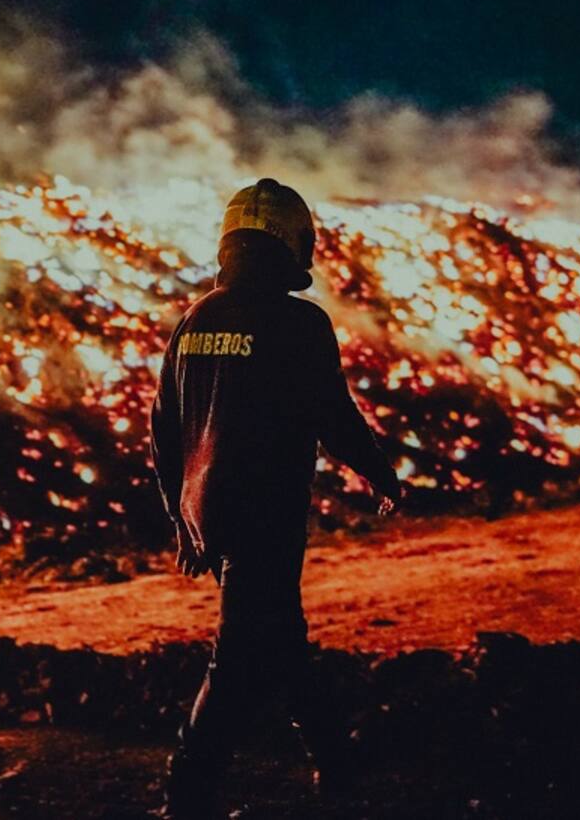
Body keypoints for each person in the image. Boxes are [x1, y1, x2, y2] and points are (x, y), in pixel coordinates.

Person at [148, 178, 403, 818]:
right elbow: (332, 414)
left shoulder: (195, 320)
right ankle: (187, 793)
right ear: (292, 242)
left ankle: (336, 761)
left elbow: (163, 428)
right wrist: (380, 473)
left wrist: (182, 520)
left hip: (211, 515)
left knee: (283, 642)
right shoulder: (298, 322)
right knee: (235, 662)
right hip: (268, 514)